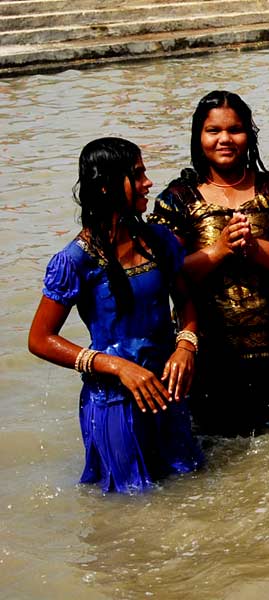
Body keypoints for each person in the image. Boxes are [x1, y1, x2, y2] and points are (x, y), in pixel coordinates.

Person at [28, 138, 203, 493]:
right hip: (113, 403)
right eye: (137, 175)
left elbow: (185, 303)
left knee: (190, 486)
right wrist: (118, 366)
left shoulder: (159, 241)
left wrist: (186, 346)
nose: (148, 183)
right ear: (106, 185)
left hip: (166, 393)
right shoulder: (75, 261)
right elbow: (39, 339)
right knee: (131, 506)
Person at [150, 90, 269, 436]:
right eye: (213, 131)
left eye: (235, 129)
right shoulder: (178, 199)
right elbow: (161, 275)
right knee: (223, 451)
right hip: (211, 354)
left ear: (249, 136)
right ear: (199, 139)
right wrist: (219, 250)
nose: (225, 139)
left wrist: (256, 250)